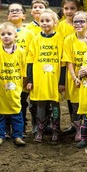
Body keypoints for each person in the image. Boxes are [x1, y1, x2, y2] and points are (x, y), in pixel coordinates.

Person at [26, 9, 65, 144]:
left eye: (48, 20)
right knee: (40, 104)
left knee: (55, 104)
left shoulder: (60, 38)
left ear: (55, 22)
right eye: (42, 21)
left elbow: (64, 62)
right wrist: (30, 80)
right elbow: (30, 61)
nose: (44, 23)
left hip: (54, 79)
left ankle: (56, 131)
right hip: (40, 79)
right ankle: (40, 131)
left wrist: (62, 82)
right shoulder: (36, 39)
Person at [0, 22, 27, 147]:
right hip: (0, 88)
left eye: (9, 34)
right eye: (3, 34)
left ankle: (18, 136)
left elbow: (23, 70)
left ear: (15, 36)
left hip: (15, 88)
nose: (6, 36)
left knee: (16, 113)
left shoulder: (21, 52)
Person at [6, 3, 35, 137]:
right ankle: (6, 128)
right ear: (8, 16)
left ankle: (21, 128)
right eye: (11, 11)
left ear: (24, 15)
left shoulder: (29, 33)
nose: (15, 12)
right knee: (8, 100)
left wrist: (28, 76)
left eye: (18, 10)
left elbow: (32, 55)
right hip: (9, 74)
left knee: (22, 101)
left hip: (23, 74)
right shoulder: (4, 33)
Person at [62, 11, 87, 141]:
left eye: (82, 21)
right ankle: (78, 129)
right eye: (75, 21)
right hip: (74, 79)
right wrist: (75, 78)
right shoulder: (69, 40)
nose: (78, 24)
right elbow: (69, 62)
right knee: (74, 106)